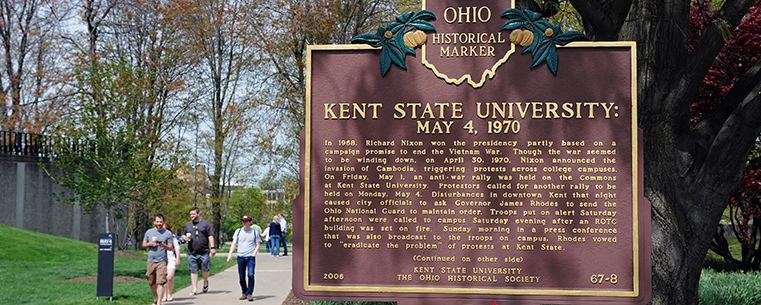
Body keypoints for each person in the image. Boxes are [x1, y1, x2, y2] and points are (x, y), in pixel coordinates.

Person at [226, 215, 262, 302]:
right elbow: (234, 243)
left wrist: (254, 254)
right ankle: (244, 292)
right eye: (243, 221)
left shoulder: (254, 232)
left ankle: (249, 293)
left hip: (250, 257)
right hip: (241, 256)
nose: (244, 223)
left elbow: (258, 244)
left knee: (250, 275)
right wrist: (230, 254)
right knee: (241, 277)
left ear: (250, 222)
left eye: (246, 221)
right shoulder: (238, 231)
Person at [182, 207, 216, 295]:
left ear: (198, 214)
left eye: (193, 214)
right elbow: (183, 234)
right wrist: (184, 237)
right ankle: (194, 289)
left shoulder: (205, 224)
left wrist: (212, 248)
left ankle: (205, 282)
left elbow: (210, 236)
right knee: (193, 270)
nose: (191, 216)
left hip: (204, 251)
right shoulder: (188, 225)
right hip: (192, 252)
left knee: (205, 269)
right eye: (190, 214)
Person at [142, 214, 174, 305]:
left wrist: (164, 245)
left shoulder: (168, 233)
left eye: (161, 222)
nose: (159, 223)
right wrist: (150, 244)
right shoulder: (149, 232)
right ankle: (156, 298)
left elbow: (171, 247)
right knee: (151, 282)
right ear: (154, 222)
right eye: (157, 222)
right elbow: (143, 245)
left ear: (163, 222)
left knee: (160, 282)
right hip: (151, 260)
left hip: (162, 260)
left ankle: (159, 302)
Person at [163, 225, 181, 302]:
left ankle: (169, 293)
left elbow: (177, 248)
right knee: (163, 278)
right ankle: (164, 295)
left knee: (169, 277)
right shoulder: (158, 237)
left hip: (171, 259)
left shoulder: (173, 238)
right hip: (162, 259)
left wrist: (178, 258)